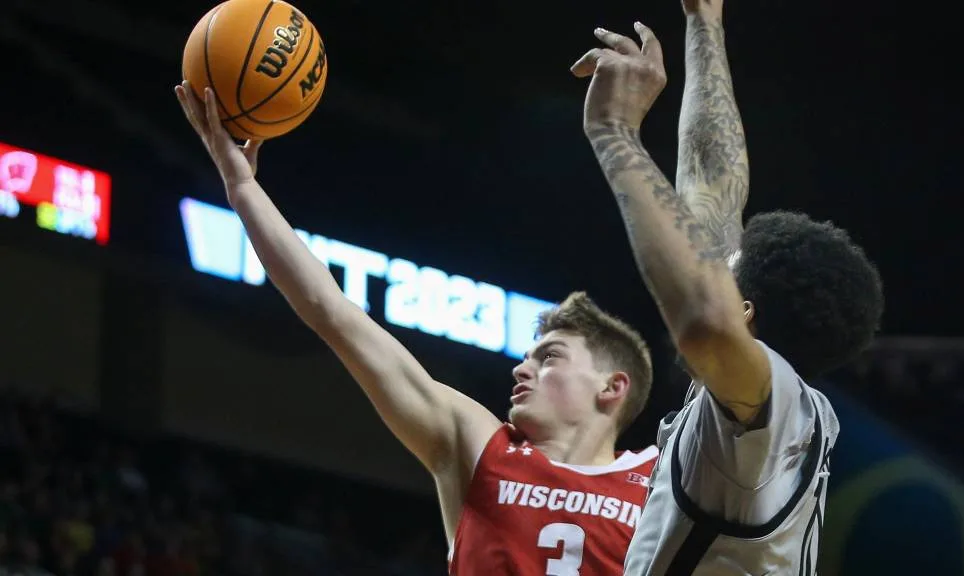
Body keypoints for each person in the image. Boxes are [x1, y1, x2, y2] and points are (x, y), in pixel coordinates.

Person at [173, 82, 659, 575]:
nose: (521, 367)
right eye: (530, 355)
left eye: (549, 356)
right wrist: (243, 190)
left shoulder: (659, 486)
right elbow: (333, 313)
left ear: (612, 386)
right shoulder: (479, 445)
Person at [571, 1, 884, 573]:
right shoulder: (776, 413)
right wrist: (704, 21)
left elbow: (706, 326)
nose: (706, 265)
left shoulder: (775, 408)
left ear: (744, 313)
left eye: (722, 272)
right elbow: (710, 187)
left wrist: (614, 132)